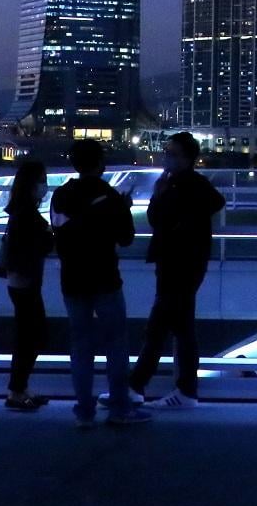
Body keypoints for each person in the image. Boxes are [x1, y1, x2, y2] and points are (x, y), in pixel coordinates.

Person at [51, 139, 150, 428]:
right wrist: (124, 208)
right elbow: (126, 238)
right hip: (105, 277)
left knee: (80, 344)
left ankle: (84, 411)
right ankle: (120, 407)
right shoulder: (110, 197)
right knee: (116, 343)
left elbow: (59, 233)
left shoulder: (61, 195)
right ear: (100, 164)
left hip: (72, 278)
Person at [125, 131, 225, 409]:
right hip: (178, 263)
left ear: (187, 158)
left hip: (180, 264)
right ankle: (177, 389)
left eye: (172, 153)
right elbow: (158, 219)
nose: (166, 157)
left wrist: (180, 220)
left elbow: (161, 219)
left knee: (161, 326)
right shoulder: (175, 183)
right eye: (167, 152)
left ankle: (141, 386)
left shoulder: (189, 185)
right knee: (178, 327)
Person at [0, 157, 53, 412]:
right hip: (26, 281)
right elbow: (35, 246)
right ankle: (17, 390)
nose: (45, 186)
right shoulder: (26, 215)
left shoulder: (20, 211)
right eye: (42, 180)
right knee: (32, 337)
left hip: (20, 280)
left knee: (28, 336)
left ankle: (20, 388)